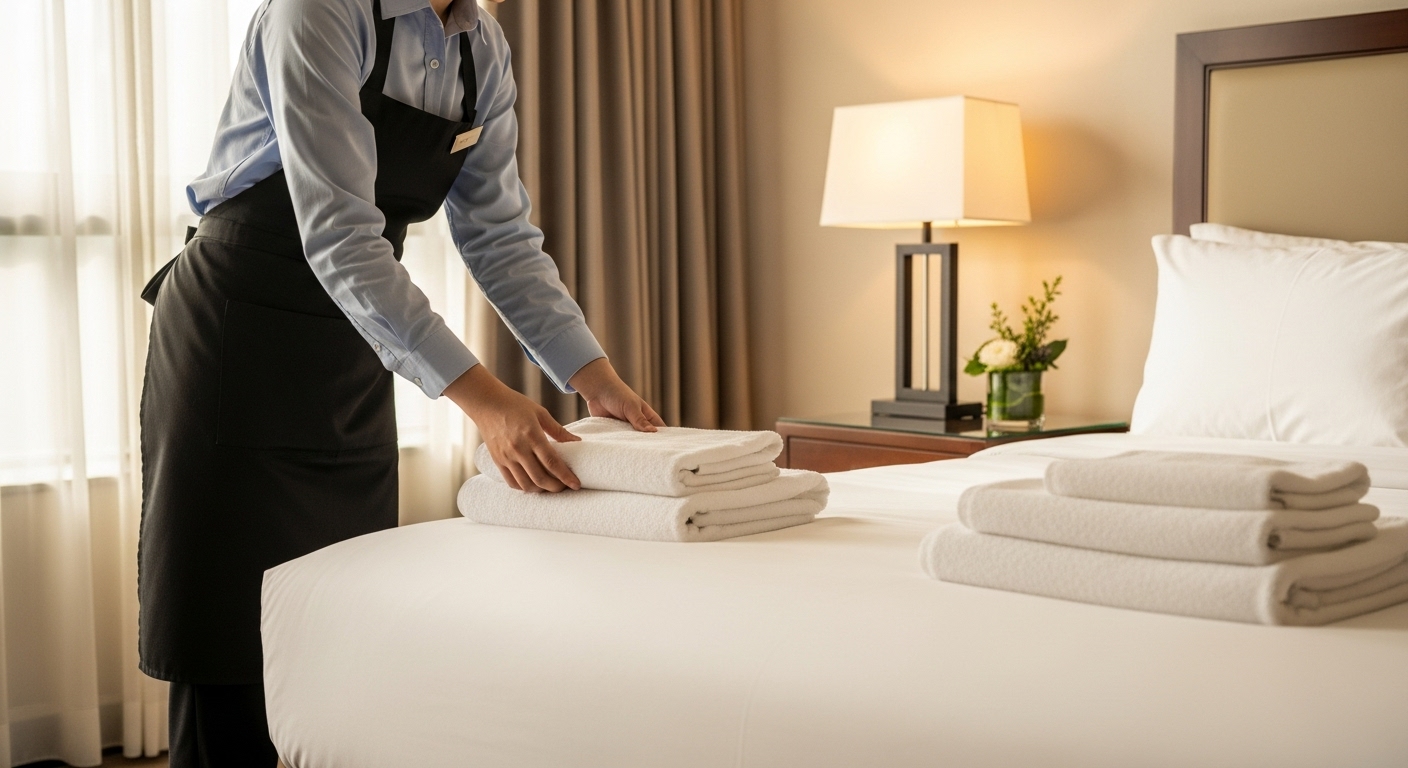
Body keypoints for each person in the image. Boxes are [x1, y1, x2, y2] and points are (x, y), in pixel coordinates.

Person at [138, 0, 662, 764]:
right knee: (230, 640)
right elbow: (343, 237)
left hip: (352, 346)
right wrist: (486, 403)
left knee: (340, 627)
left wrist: (595, 377)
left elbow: (501, 237)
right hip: (237, 336)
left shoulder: (482, 48)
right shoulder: (317, 12)